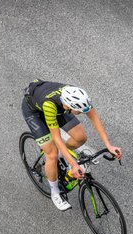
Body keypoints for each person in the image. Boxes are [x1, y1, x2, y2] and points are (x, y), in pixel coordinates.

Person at [21, 79, 122, 211]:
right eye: (79, 111)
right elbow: (56, 138)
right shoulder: (50, 105)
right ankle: (55, 192)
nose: (81, 113)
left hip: (58, 108)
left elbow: (94, 118)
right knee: (52, 154)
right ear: (69, 106)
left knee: (81, 137)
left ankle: (65, 155)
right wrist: (74, 165)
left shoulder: (77, 96)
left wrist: (109, 145)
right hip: (34, 112)